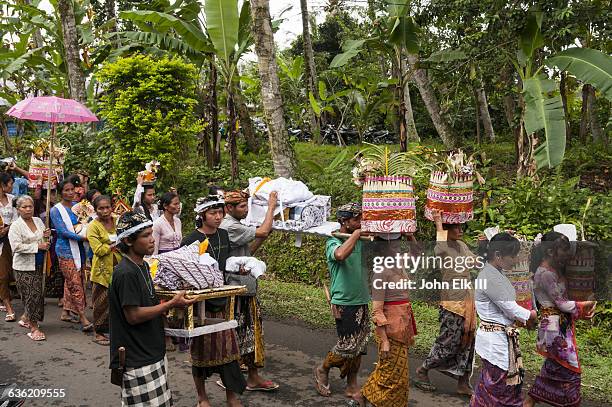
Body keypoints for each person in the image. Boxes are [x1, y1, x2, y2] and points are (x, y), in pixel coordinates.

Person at [109, 211, 195, 406]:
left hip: (152, 350)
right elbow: (133, 315)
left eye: (152, 234)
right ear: (129, 241)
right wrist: (171, 304)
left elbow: (149, 303)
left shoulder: (144, 266)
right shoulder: (125, 272)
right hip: (136, 356)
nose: (152, 240)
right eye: (146, 236)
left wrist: (171, 302)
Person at [182, 196, 247, 407]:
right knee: (201, 349)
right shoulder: (190, 240)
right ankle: (202, 397)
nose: (218, 217)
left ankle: (232, 396)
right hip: (201, 302)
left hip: (223, 298)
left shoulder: (224, 235)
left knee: (229, 349)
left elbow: (225, 263)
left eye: (220, 213)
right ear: (202, 216)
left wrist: (239, 267)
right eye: (213, 213)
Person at [524, 232, 596, 407]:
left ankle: (531, 399)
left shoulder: (555, 270)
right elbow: (562, 304)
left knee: (554, 367)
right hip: (553, 328)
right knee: (570, 369)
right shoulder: (545, 274)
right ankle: (567, 402)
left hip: (559, 325)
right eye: (563, 249)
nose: (567, 253)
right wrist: (585, 303)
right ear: (550, 251)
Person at [470, 232, 538, 407]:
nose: (514, 260)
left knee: (491, 389)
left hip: (498, 339)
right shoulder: (490, 277)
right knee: (501, 390)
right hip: (495, 344)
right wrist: (532, 315)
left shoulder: (496, 274)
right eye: (512, 256)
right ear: (498, 255)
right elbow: (511, 308)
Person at [221, 189, 279, 391]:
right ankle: (242, 377)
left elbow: (249, 251)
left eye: (247, 206)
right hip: (237, 288)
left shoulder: (236, 225)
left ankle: (245, 375)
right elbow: (261, 231)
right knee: (247, 329)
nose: (246, 210)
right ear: (229, 208)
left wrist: (266, 230)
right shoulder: (229, 226)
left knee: (246, 330)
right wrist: (271, 206)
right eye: (242, 207)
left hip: (243, 285)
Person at [415, 209, 478, 395]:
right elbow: (440, 244)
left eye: (460, 226)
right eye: (456, 227)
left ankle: (463, 382)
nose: (460, 230)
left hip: (466, 298)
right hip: (451, 300)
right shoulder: (441, 247)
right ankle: (423, 370)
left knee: (468, 341)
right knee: (448, 341)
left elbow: (475, 262)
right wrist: (437, 222)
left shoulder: (461, 245)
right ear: (447, 230)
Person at [313, 203, 370, 403]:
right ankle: (323, 368)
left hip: (362, 298)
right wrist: (355, 236)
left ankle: (352, 383)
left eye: (362, 218)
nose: (361, 222)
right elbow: (340, 255)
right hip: (344, 301)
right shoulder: (333, 240)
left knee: (360, 345)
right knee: (347, 345)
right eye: (357, 219)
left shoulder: (362, 239)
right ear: (344, 222)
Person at [361, 235, 418, 407]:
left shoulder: (399, 262)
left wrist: (409, 235)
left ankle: (365, 396)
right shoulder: (381, 272)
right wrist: (384, 340)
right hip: (390, 329)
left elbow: (417, 253)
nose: (396, 245)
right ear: (382, 248)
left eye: (396, 242)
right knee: (393, 375)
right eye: (391, 243)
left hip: (403, 324)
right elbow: (377, 310)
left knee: (392, 370)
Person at [50, 177, 92, 330]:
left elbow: (88, 221)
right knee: (75, 283)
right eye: (66, 190)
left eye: (71, 189)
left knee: (73, 280)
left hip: (80, 248)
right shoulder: (55, 210)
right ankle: (82, 316)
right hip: (65, 250)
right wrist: (83, 237)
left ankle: (66, 312)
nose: (70, 192)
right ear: (61, 193)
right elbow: (62, 232)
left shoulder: (78, 206)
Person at [8, 195, 51, 340]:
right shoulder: (15, 226)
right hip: (23, 266)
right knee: (31, 296)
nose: (28, 209)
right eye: (24, 207)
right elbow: (16, 247)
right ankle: (33, 327)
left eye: (30, 206)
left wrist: (46, 236)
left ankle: (26, 317)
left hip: (39, 264)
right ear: (18, 209)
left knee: (38, 294)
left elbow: (44, 240)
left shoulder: (38, 221)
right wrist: (37, 246)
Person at [88, 195, 121, 346]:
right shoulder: (93, 226)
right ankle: (98, 332)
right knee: (101, 302)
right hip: (101, 270)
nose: (105, 211)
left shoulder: (118, 221)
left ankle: (116, 330)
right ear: (95, 210)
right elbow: (98, 249)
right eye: (101, 208)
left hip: (120, 267)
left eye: (107, 207)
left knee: (119, 300)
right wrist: (115, 245)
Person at [0, 172, 18, 321]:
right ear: (2, 185)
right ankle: (8, 305)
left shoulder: (13, 199)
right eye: (11, 183)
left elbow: (17, 219)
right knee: (3, 275)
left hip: (9, 240)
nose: (12, 186)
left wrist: (8, 228)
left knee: (7, 273)